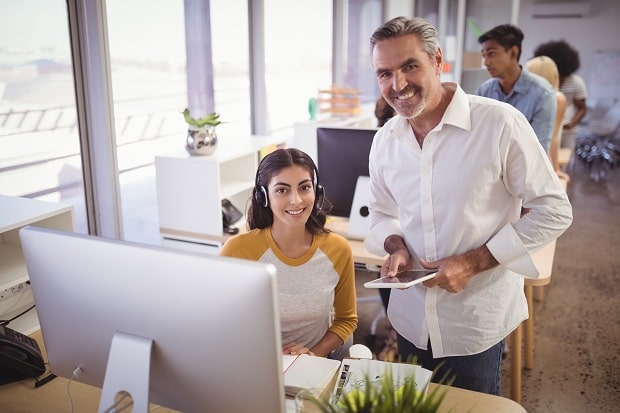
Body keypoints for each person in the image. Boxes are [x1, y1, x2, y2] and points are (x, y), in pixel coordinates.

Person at [365, 16, 573, 395]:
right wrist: (394, 244)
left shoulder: (498, 124)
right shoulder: (385, 141)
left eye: (409, 65)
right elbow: (381, 212)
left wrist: (472, 262)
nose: (398, 85)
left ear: (437, 60)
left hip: (473, 322)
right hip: (409, 318)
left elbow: (554, 210)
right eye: (384, 73)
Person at [219, 148, 358, 360]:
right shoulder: (237, 250)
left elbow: (346, 320)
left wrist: (312, 355)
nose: (296, 200)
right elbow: (222, 321)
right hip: (255, 361)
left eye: (304, 187)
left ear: (316, 192)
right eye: (282, 190)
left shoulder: (337, 249)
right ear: (263, 196)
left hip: (313, 362)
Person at [475, 24, 557, 153]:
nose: (486, 62)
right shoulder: (484, 91)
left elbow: (538, 150)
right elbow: (477, 137)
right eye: (484, 55)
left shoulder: (542, 94)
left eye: (491, 54)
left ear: (513, 53)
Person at [534, 39, 588, 151]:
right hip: (547, 129)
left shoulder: (576, 82)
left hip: (568, 131)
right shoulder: (543, 82)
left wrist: (571, 123)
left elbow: (582, 108)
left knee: (566, 157)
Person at [526, 55, 570, 181]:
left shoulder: (556, 98)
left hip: (544, 155)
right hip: (537, 153)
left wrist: (555, 168)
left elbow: (553, 136)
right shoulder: (550, 97)